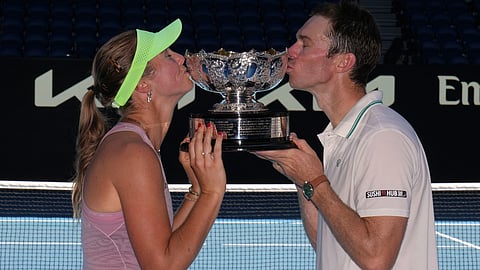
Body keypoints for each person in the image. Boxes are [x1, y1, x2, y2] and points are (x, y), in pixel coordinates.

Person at [253, 1, 438, 269]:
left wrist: (314, 180)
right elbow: (328, 243)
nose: (290, 52)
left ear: (343, 62)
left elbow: (376, 258)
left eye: (304, 44)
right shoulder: (343, 137)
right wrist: (302, 181)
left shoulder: (382, 138)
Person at [71, 18, 227, 270]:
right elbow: (162, 265)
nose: (180, 57)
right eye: (167, 55)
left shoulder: (135, 145)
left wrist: (197, 190)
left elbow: (161, 243)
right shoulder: (133, 153)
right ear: (143, 85)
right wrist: (213, 191)